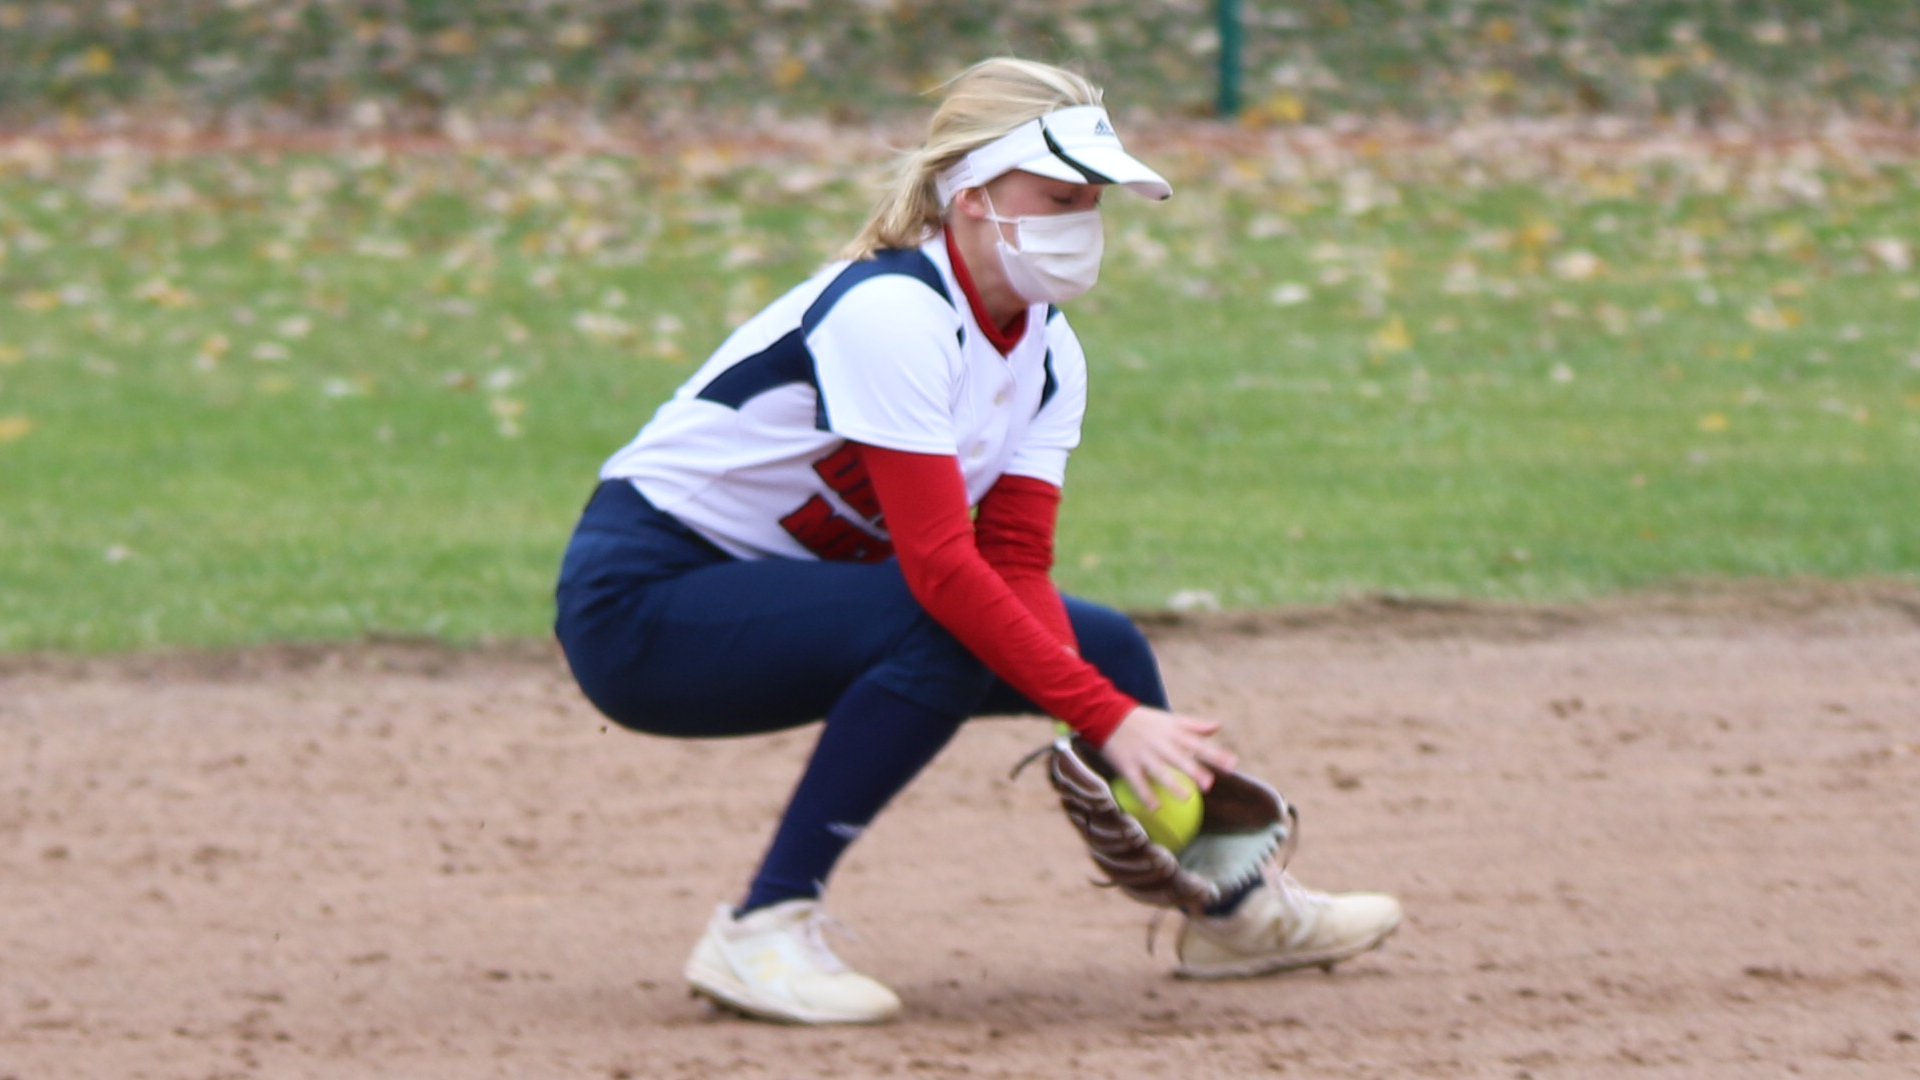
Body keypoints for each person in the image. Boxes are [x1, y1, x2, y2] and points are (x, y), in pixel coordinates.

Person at [553, 57, 1402, 1026]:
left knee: (1106, 645)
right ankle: (762, 930)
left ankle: (1228, 911)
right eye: (1057, 196)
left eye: (1093, 202)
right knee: (947, 625)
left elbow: (1014, 565)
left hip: (773, 596)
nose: (1080, 223)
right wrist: (1109, 721)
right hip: (644, 606)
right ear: (969, 197)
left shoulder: (1049, 352)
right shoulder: (890, 313)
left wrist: (1099, 695)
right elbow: (941, 569)